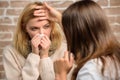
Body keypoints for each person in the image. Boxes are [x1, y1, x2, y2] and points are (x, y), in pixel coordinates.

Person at [50, 0, 120, 80]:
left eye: (67, 33)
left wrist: (60, 74)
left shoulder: (90, 71)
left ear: (78, 35)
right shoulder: (113, 57)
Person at [2, 2, 70, 80]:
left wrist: (44, 56)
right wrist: (34, 55)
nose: (41, 33)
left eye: (46, 26)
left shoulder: (63, 49)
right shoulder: (11, 52)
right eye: (34, 28)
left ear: (52, 26)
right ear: (25, 28)